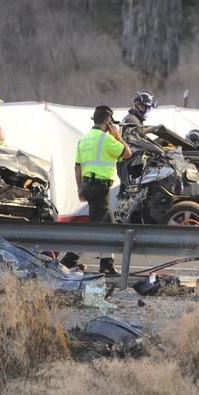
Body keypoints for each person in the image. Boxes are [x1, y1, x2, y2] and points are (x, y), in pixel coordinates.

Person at [75, 105, 132, 274]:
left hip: (87, 185)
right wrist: (118, 136)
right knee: (97, 228)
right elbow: (128, 153)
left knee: (108, 225)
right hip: (101, 187)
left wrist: (79, 188)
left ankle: (107, 264)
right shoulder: (107, 140)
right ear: (107, 122)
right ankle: (69, 259)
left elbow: (77, 166)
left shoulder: (83, 139)